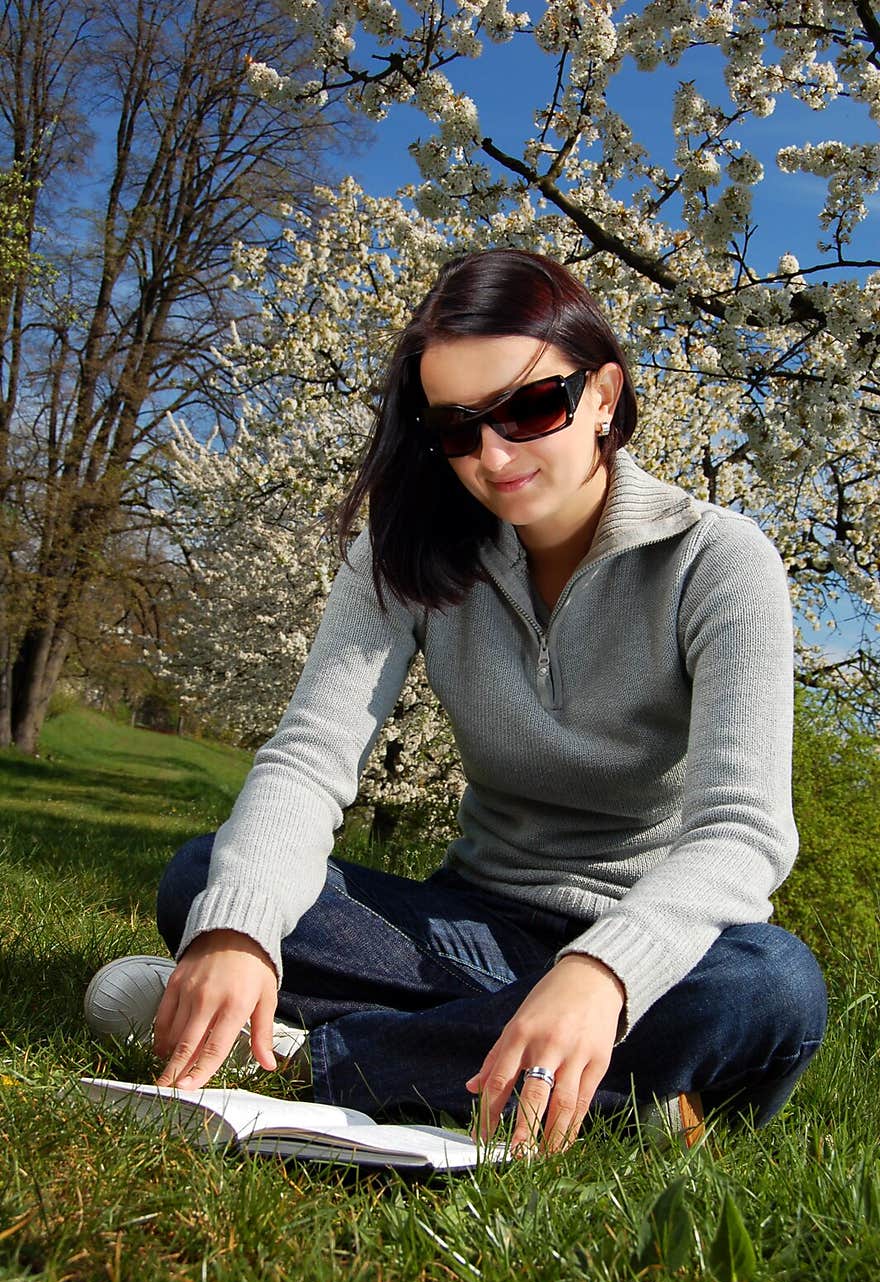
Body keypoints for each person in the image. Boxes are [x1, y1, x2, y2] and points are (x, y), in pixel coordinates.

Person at [84, 248, 828, 1155]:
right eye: (458, 429)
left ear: (602, 394)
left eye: (530, 407)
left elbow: (741, 831)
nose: (495, 455)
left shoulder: (718, 560)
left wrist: (601, 971)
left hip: (660, 945)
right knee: (209, 880)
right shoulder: (409, 550)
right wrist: (239, 930)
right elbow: (312, 754)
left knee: (774, 985)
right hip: (469, 926)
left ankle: (319, 1061)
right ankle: (612, 1089)